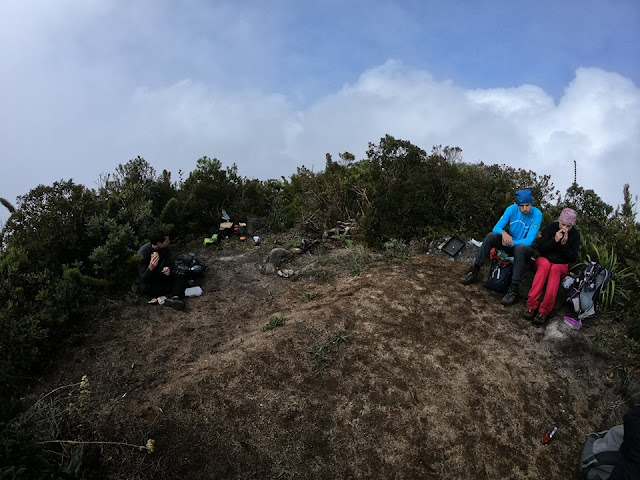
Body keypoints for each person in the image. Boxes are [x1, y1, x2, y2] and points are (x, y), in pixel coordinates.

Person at [460, 188, 542, 306]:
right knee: (491, 236)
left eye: (527, 205)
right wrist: (503, 233)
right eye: (521, 205)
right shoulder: (511, 209)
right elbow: (496, 228)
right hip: (509, 241)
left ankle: (513, 289)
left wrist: (511, 243)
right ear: (517, 204)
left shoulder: (537, 214)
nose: (524, 209)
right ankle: (474, 271)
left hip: (524, 248)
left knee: (520, 248)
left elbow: (529, 240)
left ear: (531, 204)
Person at [523, 207, 580, 325]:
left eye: (568, 226)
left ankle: (544, 311)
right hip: (545, 259)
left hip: (561, 265)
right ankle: (531, 305)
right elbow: (541, 248)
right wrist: (554, 240)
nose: (565, 228)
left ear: (572, 226)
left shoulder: (575, 235)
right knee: (544, 266)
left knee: (554, 270)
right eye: (563, 224)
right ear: (559, 221)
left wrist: (564, 245)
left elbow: (573, 258)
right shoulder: (551, 227)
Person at [138, 228, 185, 310]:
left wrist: (168, 269)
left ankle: (175, 297)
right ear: (159, 243)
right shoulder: (143, 252)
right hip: (151, 278)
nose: (168, 242)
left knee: (180, 274)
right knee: (144, 287)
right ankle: (172, 293)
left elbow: (171, 264)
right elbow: (143, 278)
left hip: (161, 274)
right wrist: (150, 268)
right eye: (166, 241)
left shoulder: (165, 248)